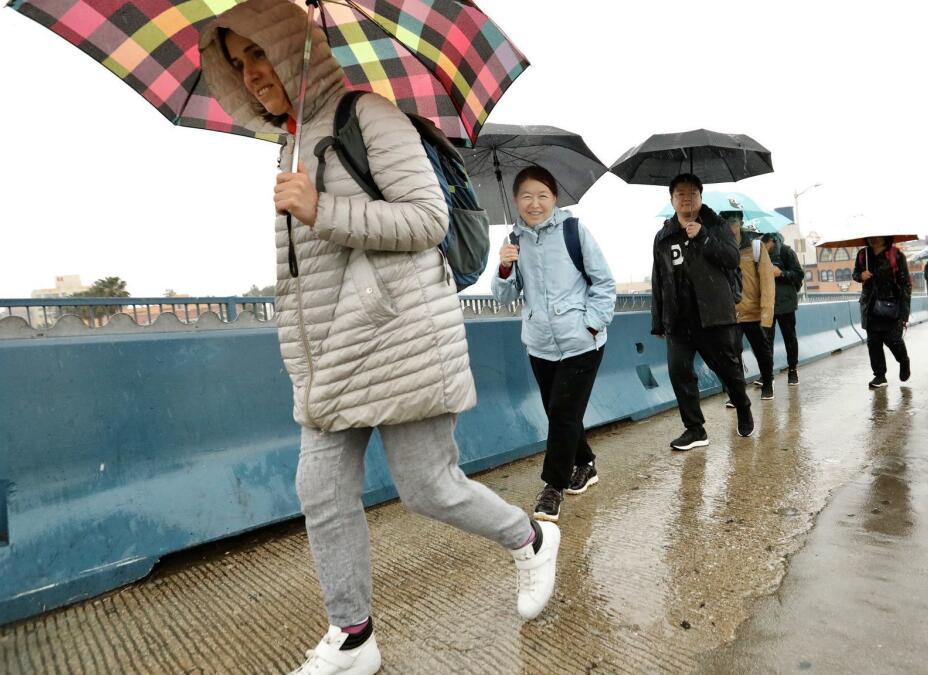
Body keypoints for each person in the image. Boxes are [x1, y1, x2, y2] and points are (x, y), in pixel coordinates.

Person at [200, 5, 558, 673]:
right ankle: (354, 632)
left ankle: (532, 537)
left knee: (428, 488)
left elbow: (426, 219)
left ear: (293, 49)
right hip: (332, 355)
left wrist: (320, 208)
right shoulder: (289, 142)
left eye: (259, 55)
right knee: (320, 486)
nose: (251, 76)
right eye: (238, 64)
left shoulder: (369, 118)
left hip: (397, 340)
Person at [492, 166, 617, 523]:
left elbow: (604, 283)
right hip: (540, 343)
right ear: (516, 200)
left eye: (542, 195)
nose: (535, 203)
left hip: (582, 342)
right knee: (559, 412)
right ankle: (585, 463)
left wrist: (591, 325)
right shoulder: (512, 241)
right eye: (527, 196)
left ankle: (552, 487)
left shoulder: (573, 231)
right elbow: (504, 297)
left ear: (554, 199)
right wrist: (503, 268)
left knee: (562, 414)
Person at [651, 174, 754, 450]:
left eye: (693, 193)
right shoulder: (664, 235)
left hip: (714, 316)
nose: (687, 198)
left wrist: (704, 237)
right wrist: (658, 320)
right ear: (672, 199)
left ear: (701, 196)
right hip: (678, 319)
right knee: (679, 372)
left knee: (728, 369)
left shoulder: (716, 225)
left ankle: (742, 405)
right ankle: (695, 429)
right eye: (681, 194)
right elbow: (658, 279)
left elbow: (732, 259)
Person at [720, 211, 776, 403]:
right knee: (731, 356)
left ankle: (768, 383)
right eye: (725, 221)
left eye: (734, 221)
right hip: (730, 314)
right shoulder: (718, 247)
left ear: (741, 222)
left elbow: (768, 281)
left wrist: (766, 313)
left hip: (753, 312)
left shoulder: (755, 247)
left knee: (762, 351)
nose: (730, 225)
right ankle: (736, 394)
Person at [852, 237, 912, 388]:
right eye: (871, 236)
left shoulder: (896, 254)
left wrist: (905, 313)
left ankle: (903, 360)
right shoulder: (862, 255)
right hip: (870, 306)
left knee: (893, 340)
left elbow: (906, 284)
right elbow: (855, 273)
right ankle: (880, 376)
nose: (873, 239)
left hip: (891, 305)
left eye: (877, 236)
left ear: (885, 237)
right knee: (874, 343)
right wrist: (860, 276)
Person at [762, 231, 805, 387]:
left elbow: (799, 274)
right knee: (766, 341)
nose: (763, 247)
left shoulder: (786, 251)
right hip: (768, 303)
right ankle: (767, 374)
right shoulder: (761, 255)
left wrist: (781, 273)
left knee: (789, 338)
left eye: (765, 244)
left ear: (772, 241)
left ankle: (792, 370)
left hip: (786, 303)